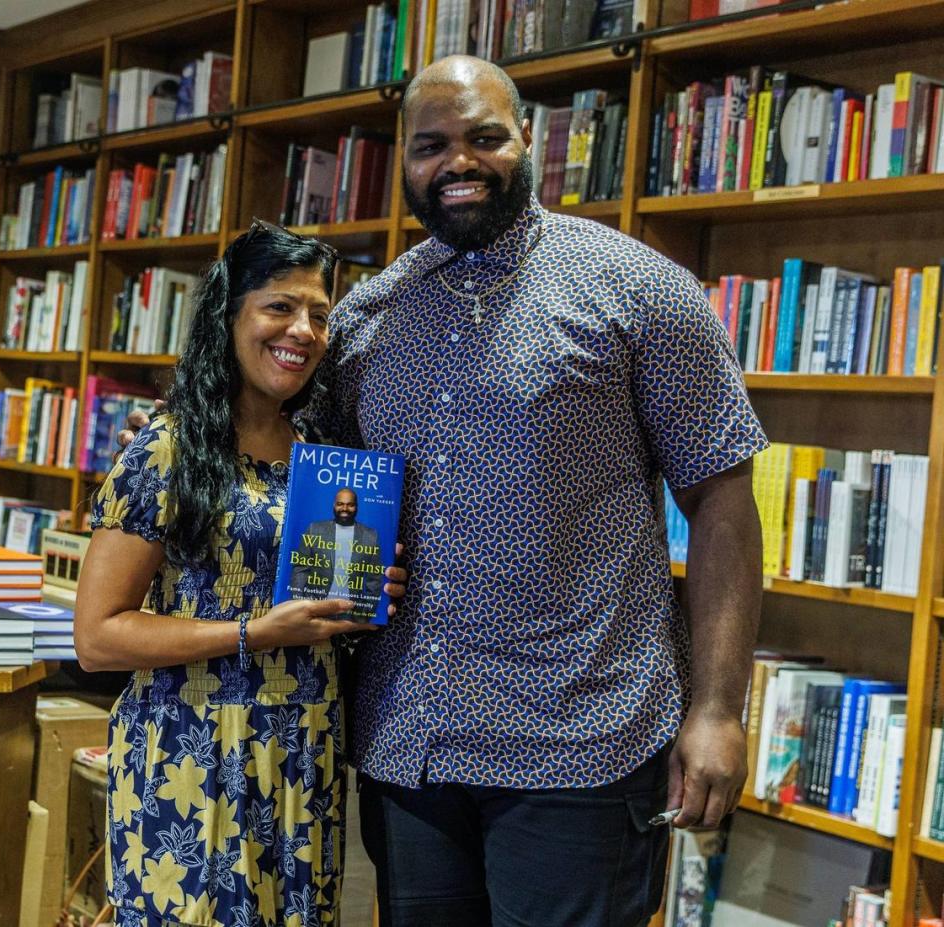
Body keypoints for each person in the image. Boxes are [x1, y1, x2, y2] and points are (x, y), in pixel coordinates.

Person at [121, 56, 768, 927]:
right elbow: (281, 452)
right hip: (407, 749)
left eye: (484, 138)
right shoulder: (363, 317)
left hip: (578, 747)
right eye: (432, 146)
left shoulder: (641, 288)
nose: (459, 162)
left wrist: (719, 709)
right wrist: (168, 442)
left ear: (528, 141)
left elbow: (723, 498)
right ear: (405, 162)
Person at [75, 222, 406, 927]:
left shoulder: (324, 458)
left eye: (320, 313)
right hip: (190, 755)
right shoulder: (166, 446)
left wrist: (363, 598)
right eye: (280, 306)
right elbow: (98, 636)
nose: (304, 329)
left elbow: (315, 611)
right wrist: (257, 630)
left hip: (303, 753)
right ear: (230, 315)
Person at [290, 488, 384, 620]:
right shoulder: (314, 529)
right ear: (334, 505)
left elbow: (374, 579)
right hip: (316, 609)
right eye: (340, 504)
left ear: (356, 507)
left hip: (350, 613)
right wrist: (300, 604)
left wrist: (364, 615)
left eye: (350, 504)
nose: (344, 508)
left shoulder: (370, 536)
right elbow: (300, 569)